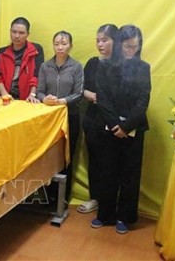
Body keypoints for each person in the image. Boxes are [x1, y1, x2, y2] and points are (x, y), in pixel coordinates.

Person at [91, 25, 151, 234]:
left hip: (134, 129)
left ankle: (125, 217)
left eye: (135, 46)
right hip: (109, 127)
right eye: (126, 46)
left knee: (130, 175)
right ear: (118, 44)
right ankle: (105, 214)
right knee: (107, 172)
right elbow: (103, 98)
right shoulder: (106, 66)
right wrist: (115, 123)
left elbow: (143, 100)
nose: (130, 50)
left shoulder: (143, 67)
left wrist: (126, 126)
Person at [36, 30, 84, 202]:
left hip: (70, 117)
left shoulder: (76, 67)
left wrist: (63, 101)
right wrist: (45, 99)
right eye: (57, 44)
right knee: (48, 156)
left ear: (70, 45)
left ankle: (63, 198)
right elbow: (40, 91)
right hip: (49, 119)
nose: (60, 47)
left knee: (66, 157)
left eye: (64, 44)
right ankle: (47, 196)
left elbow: (79, 93)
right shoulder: (45, 66)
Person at [77, 24, 119, 214]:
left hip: (113, 121)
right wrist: (93, 96)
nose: (100, 44)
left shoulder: (121, 65)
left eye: (104, 40)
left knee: (111, 162)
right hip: (92, 118)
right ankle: (95, 198)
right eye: (98, 40)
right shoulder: (93, 63)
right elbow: (82, 89)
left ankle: (110, 202)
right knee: (94, 160)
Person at [0, 17, 43, 101]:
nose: (17, 36)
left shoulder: (36, 50)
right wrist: (5, 94)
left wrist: (32, 95)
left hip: (28, 99)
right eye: (14, 32)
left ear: (28, 34)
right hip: (6, 97)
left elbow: (37, 75)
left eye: (21, 33)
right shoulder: (2, 52)